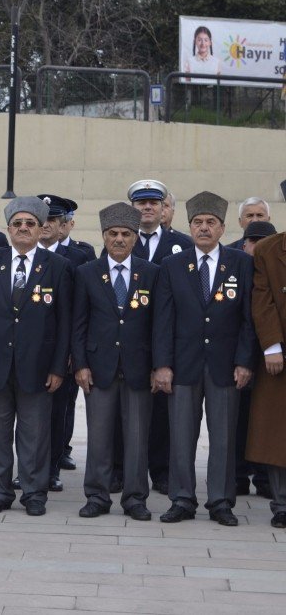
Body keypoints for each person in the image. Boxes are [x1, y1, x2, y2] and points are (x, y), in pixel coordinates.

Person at [153, 191, 256, 526]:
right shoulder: (172, 265)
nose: (204, 228)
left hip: (226, 365)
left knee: (224, 437)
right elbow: (163, 319)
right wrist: (163, 365)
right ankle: (182, 499)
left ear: (223, 228)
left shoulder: (241, 263)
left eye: (211, 222)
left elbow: (247, 318)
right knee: (181, 435)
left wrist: (244, 361)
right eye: (198, 222)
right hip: (183, 365)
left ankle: (221, 501)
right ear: (190, 227)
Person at [0, 197, 72, 516]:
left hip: (38, 368)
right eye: (18, 224)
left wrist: (58, 367)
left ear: (42, 229)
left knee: (36, 434)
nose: (23, 229)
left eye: (30, 224)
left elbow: (65, 322)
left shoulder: (58, 267)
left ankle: (33, 492)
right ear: (8, 229)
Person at [72, 203, 159, 521]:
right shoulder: (86, 273)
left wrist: (158, 365)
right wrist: (80, 364)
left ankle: (135, 497)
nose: (119, 239)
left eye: (125, 234)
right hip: (98, 367)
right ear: (104, 236)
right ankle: (96, 495)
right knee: (99, 436)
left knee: (137, 437)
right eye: (113, 233)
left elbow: (158, 324)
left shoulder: (151, 273)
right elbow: (78, 323)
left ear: (135, 237)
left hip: (139, 367)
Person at [128, 179, 192, 496]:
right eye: (142, 203)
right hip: (131, 340)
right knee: (125, 410)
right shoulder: (120, 239)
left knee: (163, 413)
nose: (148, 207)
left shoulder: (183, 244)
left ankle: (162, 471)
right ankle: (119, 470)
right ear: (133, 208)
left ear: (163, 208)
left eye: (154, 202)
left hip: (169, 339)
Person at [34, 195, 93, 493]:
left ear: (62, 225)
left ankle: (52, 467)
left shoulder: (80, 258)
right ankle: (30, 469)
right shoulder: (21, 253)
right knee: (30, 415)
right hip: (28, 350)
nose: (45, 226)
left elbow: (81, 310)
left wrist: (73, 352)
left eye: (52, 220)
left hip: (62, 349)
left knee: (58, 412)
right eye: (41, 220)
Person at [247, 220, 286, 527]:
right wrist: (272, 345)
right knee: (278, 432)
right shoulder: (268, 249)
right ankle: (282, 503)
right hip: (281, 354)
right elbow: (263, 299)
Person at [236, 220, 276, 499]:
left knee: (265, 423)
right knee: (238, 421)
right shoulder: (235, 267)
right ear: (244, 244)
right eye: (254, 241)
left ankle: (264, 478)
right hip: (238, 360)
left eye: (264, 241)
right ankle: (237, 476)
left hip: (267, 362)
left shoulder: (272, 269)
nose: (258, 246)